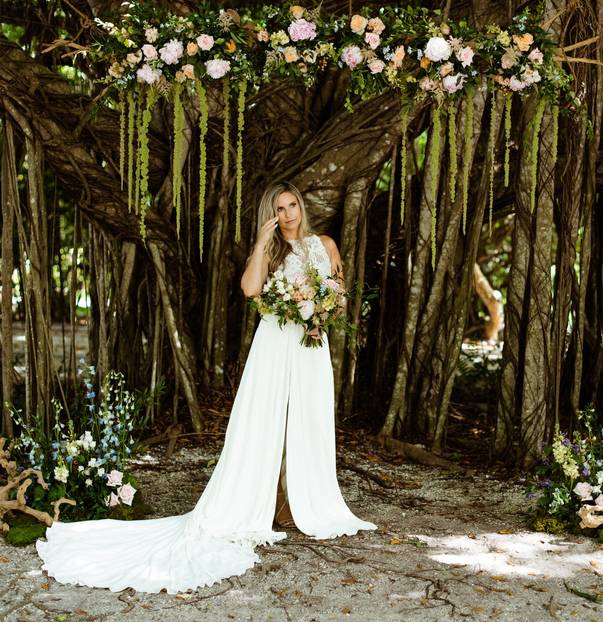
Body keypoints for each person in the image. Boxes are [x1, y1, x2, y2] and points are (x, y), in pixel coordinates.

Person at [35, 182, 375, 594]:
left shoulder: (325, 244)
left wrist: (323, 309)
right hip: (275, 343)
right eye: (279, 209)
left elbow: (339, 295)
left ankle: (301, 502)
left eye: (291, 206)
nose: (287, 214)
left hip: (311, 345)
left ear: (301, 207)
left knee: (307, 420)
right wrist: (261, 242)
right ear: (271, 213)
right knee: (266, 420)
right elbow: (251, 290)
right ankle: (266, 501)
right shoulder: (269, 250)